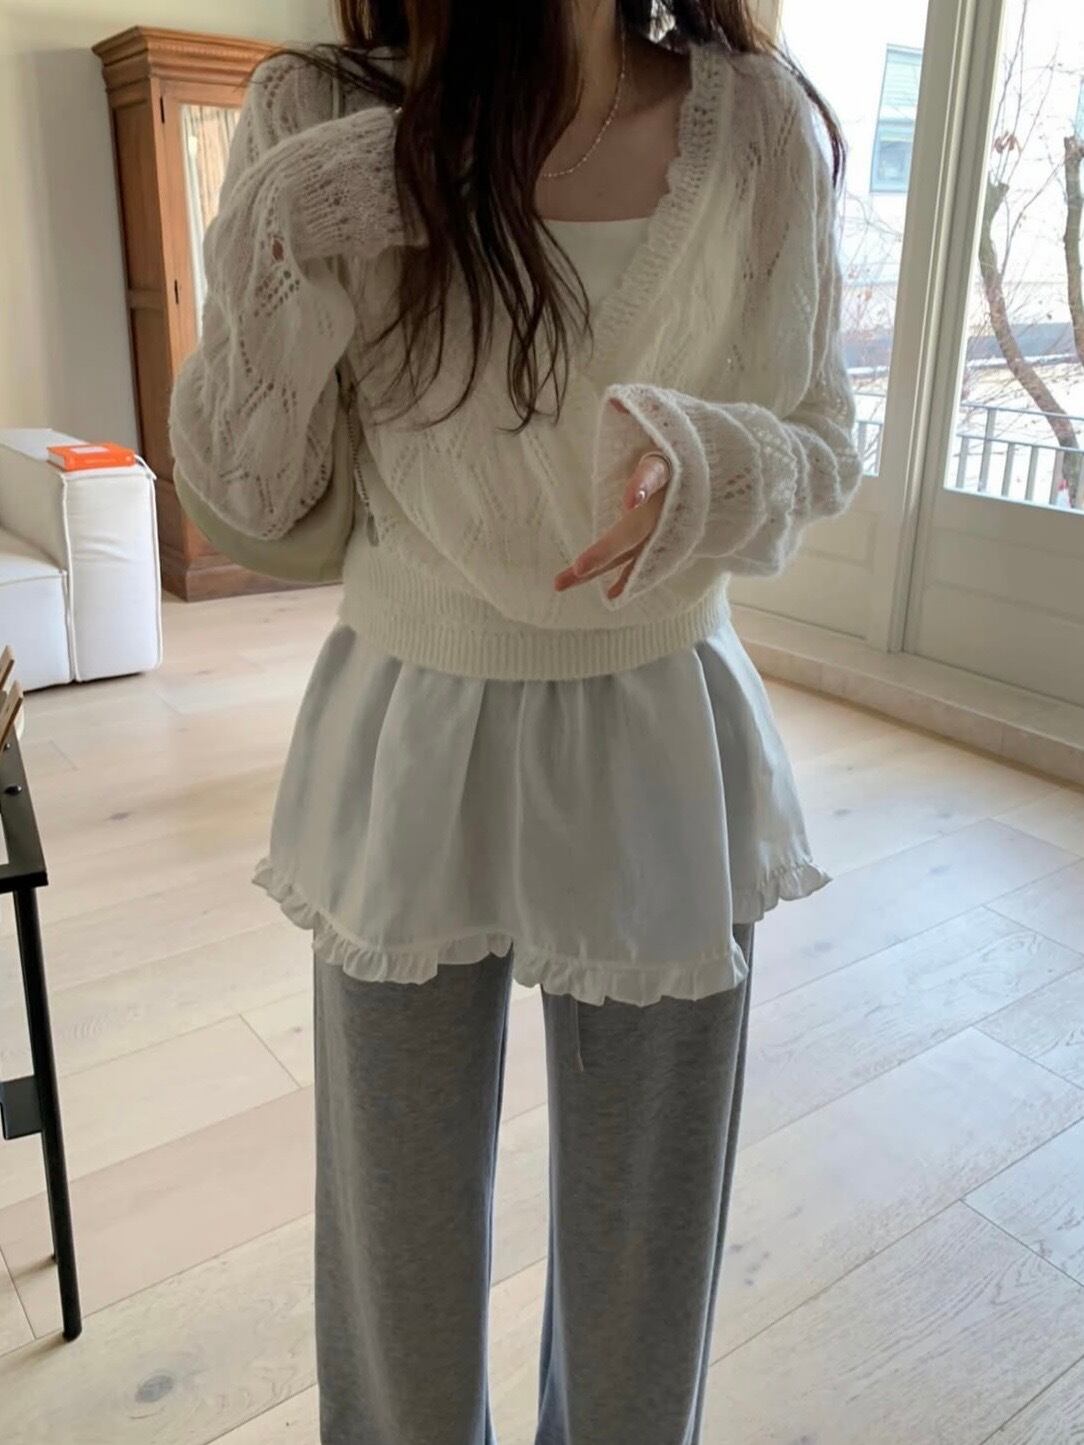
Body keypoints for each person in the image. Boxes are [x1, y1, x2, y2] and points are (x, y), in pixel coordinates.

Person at [170, 2, 860, 1440]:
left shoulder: (761, 128)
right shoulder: (318, 114)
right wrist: (280, 238)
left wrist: (709, 462)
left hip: (660, 724)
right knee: (396, 1240)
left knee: (646, 1247)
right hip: (413, 720)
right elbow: (251, 495)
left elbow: (822, 437)